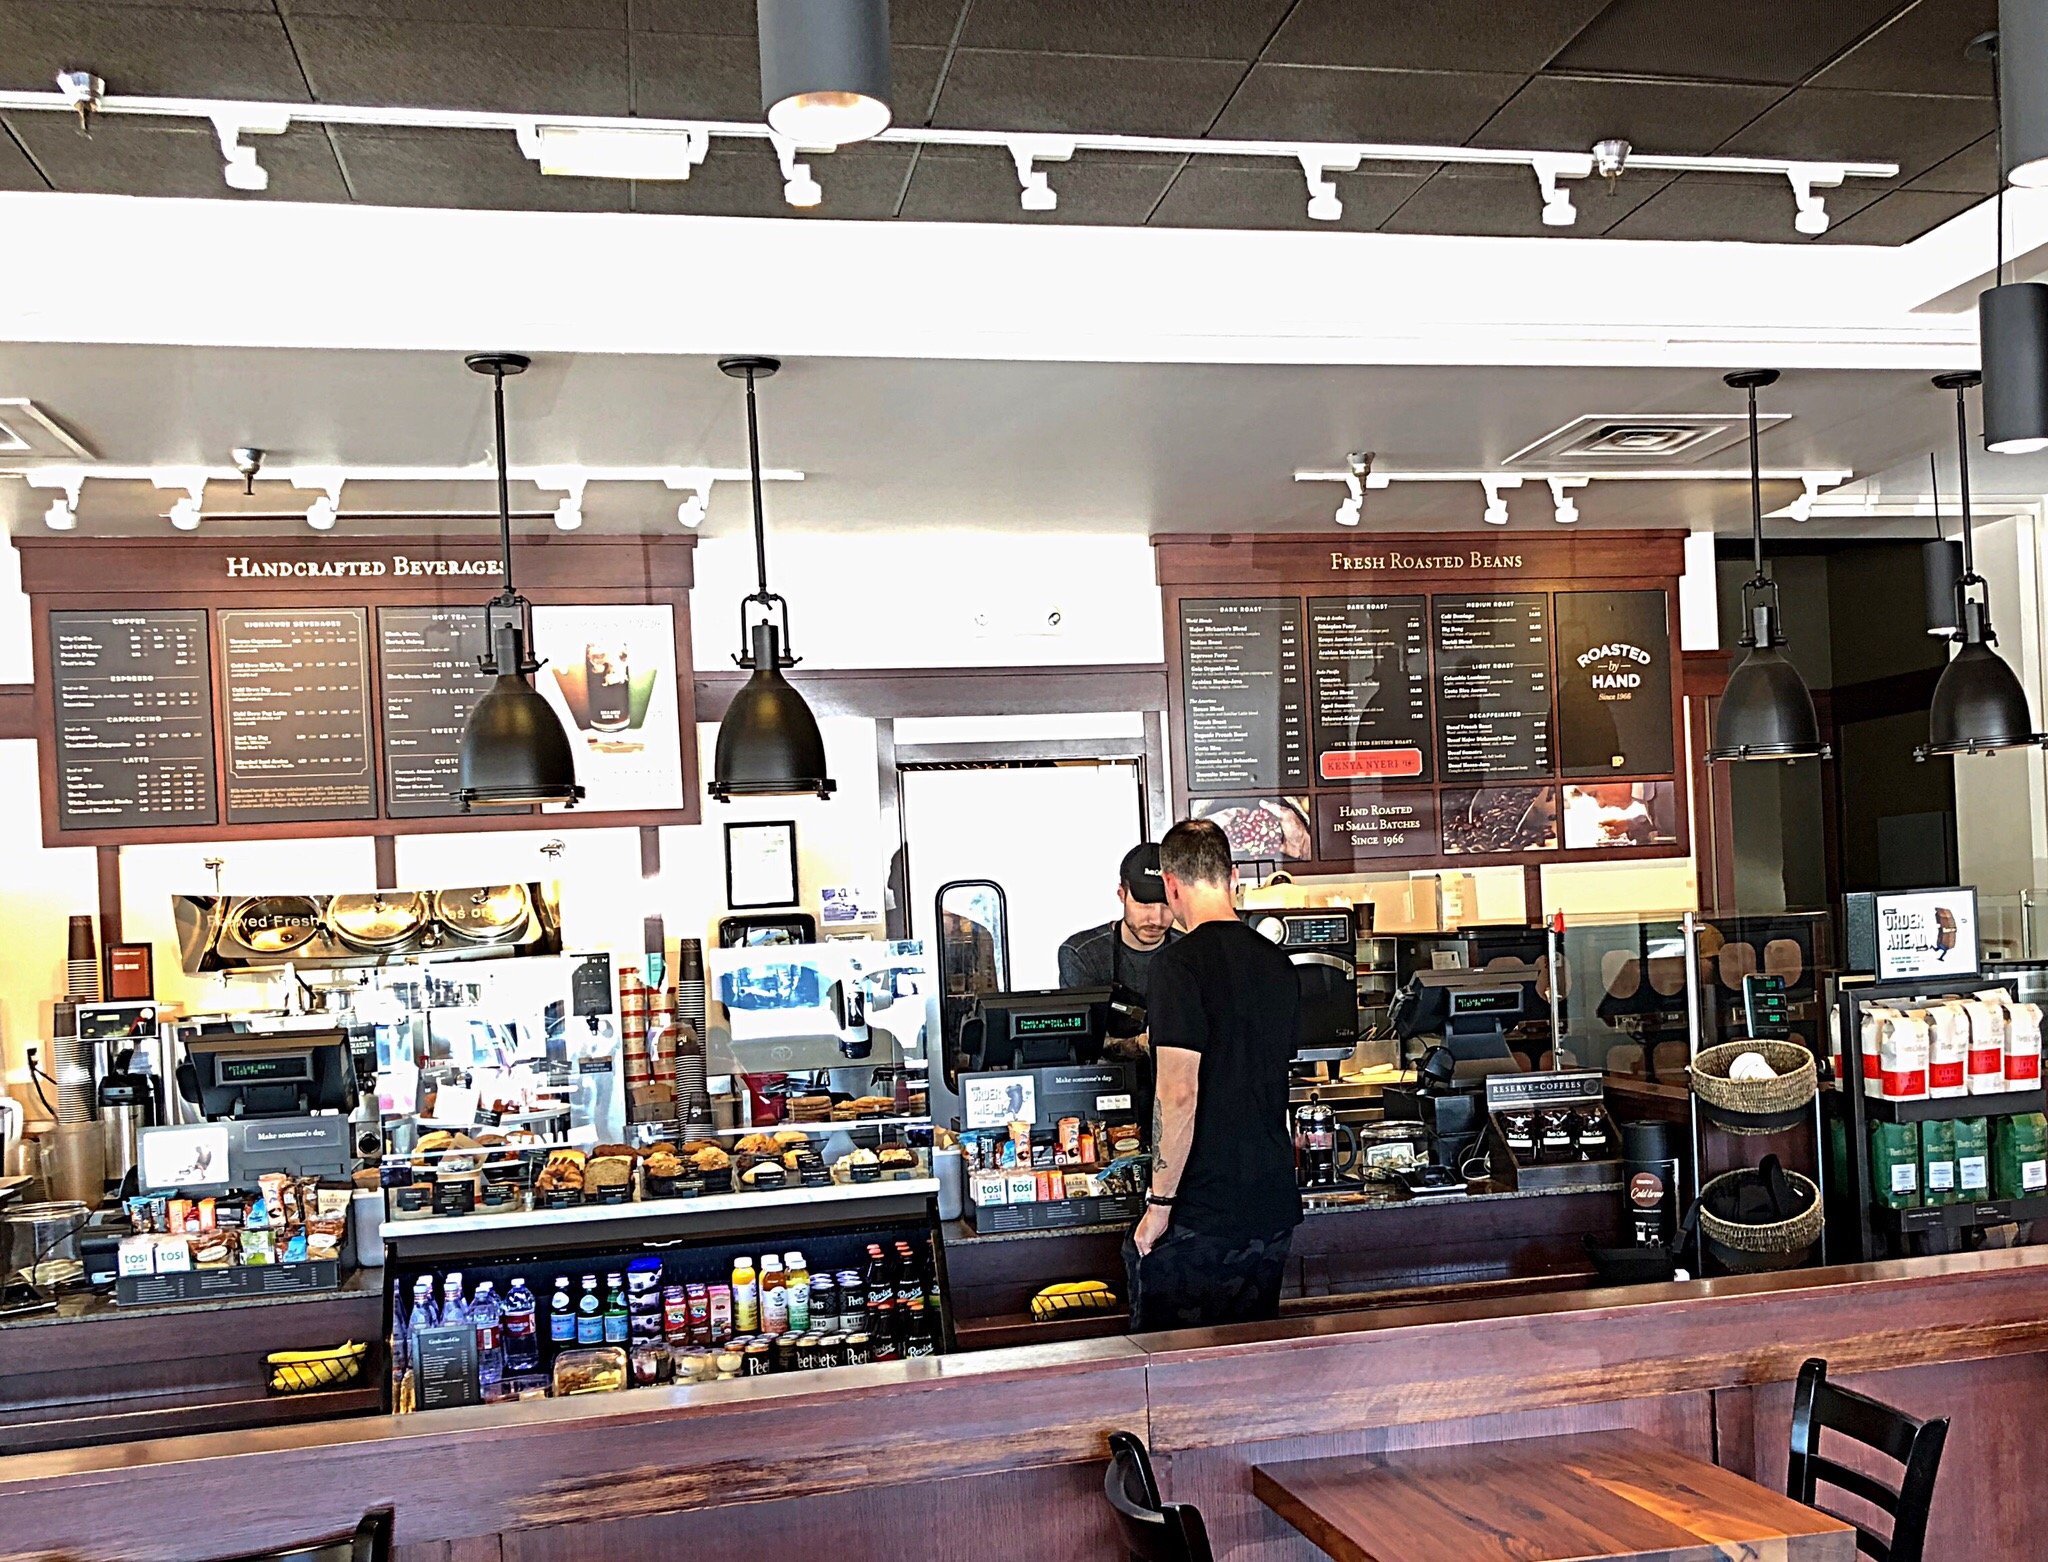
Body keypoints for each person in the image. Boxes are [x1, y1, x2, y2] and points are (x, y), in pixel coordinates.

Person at [1126, 818, 1302, 1331]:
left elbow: (1178, 1093)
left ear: (1171, 886)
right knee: (1253, 1359)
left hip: (1202, 1208)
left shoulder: (1177, 967)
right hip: (1270, 1204)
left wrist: (1159, 1205)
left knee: (1178, 1365)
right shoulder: (1278, 964)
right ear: (1233, 877)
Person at [1056, 842, 1179, 1005]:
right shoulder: (1082, 954)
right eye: (1145, 904)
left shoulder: (1193, 952)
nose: (1157, 919)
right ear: (1122, 895)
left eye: (1167, 905)